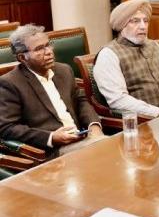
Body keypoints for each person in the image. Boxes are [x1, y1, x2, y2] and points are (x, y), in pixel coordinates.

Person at [0, 24, 105, 157]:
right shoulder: (10, 83)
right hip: (52, 151)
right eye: (39, 49)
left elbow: (80, 101)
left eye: (48, 45)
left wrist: (94, 126)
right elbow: (7, 127)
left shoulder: (64, 70)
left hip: (84, 138)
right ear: (22, 57)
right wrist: (51, 137)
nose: (49, 51)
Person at [94, 0, 159, 118]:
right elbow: (118, 100)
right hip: (144, 120)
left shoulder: (154, 45)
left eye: (145, 21)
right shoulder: (108, 55)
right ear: (121, 25)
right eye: (135, 21)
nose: (143, 26)